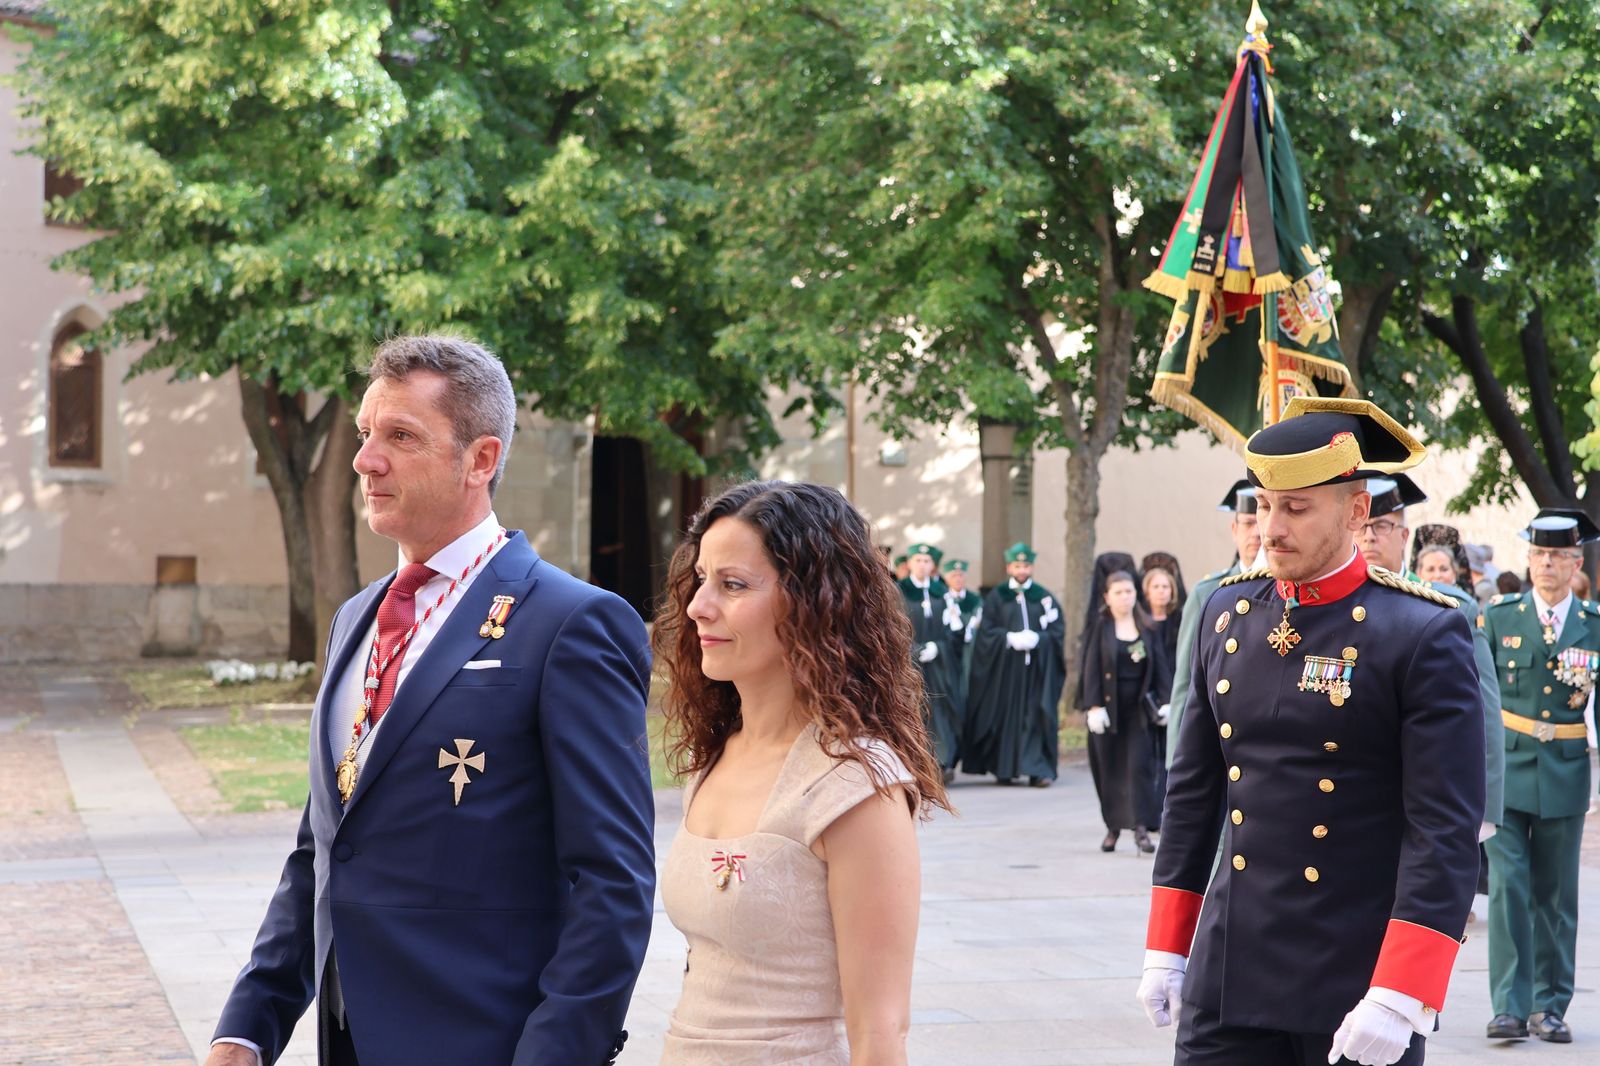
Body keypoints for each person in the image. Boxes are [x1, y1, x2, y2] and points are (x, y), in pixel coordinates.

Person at [207, 336, 655, 1066]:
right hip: (348, 1041)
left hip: (485, 1043)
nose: (365, 460)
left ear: (480, 460)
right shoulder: (358, 618)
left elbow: (614, 883)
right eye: (364, 434)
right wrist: (247, 1025)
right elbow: (324, 846)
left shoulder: (570, 622)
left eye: (400, 437)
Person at [1138, 397, 1483, 1066]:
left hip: (1356, 980)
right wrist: (1167, 947)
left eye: (1296, 508)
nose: (1271, 528)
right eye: (1263, 505)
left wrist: (1401, 993)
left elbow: (1443, 831)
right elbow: (1192, 796)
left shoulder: (1420, 633)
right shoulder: (1225, 615)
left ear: (1356, 511)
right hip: (1231, 970)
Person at [652, 480, 951, 1064]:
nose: (697, 606)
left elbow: (880, 1033)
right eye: (701, 580)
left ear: (813, 603)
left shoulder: (856, 786)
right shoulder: (714, 757)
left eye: (733, 584)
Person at [1481, 508, 1600, 1044]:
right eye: (1537, 554)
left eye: (1556, 556)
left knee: (1556, 895)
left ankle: (1549, 1006)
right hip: (1505, 770)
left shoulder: (1593, 626)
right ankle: (1509, 1004)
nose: (1545, 564)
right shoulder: (1500, 616)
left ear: (1577, 563)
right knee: (1508, 887)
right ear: (1527, 560)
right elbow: (1477, 701)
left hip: (1566, 772)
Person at [1165, 480, 1262, 765]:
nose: (1256, 532)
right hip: (1218, 751)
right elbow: (1185, 682)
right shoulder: (1209, 592)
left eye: (1260, 521)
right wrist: (1176, 761)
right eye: (1247, 523)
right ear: (1234, 530)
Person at [1079, 570, 1172, 854]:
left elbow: (1160, 667)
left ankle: (1141, 828)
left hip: (1138, 711)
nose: (1125, 597)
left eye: (1129, 591)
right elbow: (1090, 666)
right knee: (1110, 770)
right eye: (1118, 592)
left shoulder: (1146, 627)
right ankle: (1113, 827)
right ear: (1107, 597)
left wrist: (1167, 700)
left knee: (1139, 768)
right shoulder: (1101, 627)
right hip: (1109, 710)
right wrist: (1093, 705)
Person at [962, 542, 1066, 787]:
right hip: (1005, 669)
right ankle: (1004, 767)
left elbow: (1057, 630)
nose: (1022, 570)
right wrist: (1008, 638)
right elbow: (986, 631)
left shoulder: (1043, 597)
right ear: (1009, 567)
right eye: (1018, 565)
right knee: (1005, 714)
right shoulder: (997, 597)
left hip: (1036, 669)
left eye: (1026, 565)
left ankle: (1037, 770)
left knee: (1036, 714)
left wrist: (1039, 639)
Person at [897, 542, 964, 777]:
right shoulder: (898, 591)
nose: (922, 565)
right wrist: (912, 650)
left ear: (933, 565)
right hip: (909, 663)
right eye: (918, 561)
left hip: (939, 665)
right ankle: (916, 762)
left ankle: (942, 762)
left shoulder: (943, 594)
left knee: (940, 709)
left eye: (927, 562)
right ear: (910, 563)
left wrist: (939, 646)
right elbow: (892, 627)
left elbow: (955, 630)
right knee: (914, 708)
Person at [942, 557, 983, 727]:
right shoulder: (942, 600)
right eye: (954, 575)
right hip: (949, 653)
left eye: (960, 575)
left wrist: (972, 630)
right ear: (947, 578)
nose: (958, 579)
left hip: (969, 653)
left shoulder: (974, 600)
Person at [1143, 564, 1182, 666]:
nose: (1161, 591)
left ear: (1172, 592)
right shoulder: (1140, 621)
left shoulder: (1179, 620)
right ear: (1147, 592)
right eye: (1155, 587)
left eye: (1165, 587)